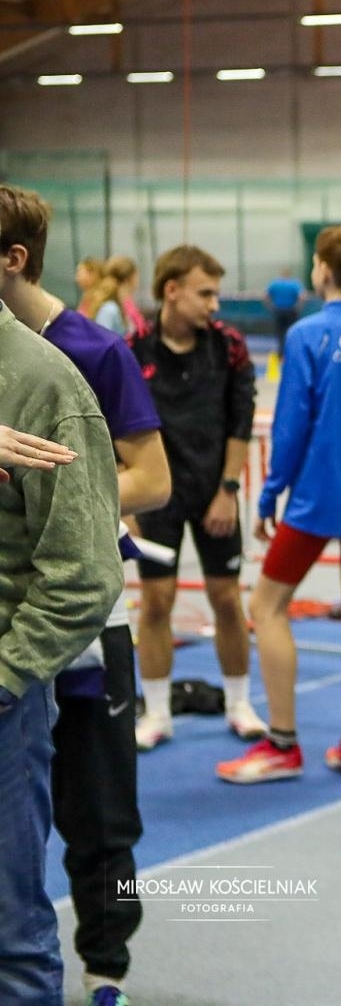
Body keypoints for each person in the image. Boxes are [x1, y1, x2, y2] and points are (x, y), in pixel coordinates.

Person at [1, 185, 172, 1006]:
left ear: (13, 259)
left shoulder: (90, 353)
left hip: (87, 622)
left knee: (102, 818)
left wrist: (69, 493)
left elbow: (153, 479)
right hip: (24, 619)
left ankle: (107, 967)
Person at [218, 225, 341, 785]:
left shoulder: (308, 334)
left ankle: (282, 744)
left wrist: (270, 491)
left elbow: (292, 424)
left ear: (322, 268)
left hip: (319, 493)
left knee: (266, 606)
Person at [0, 292, 124, 1006]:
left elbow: (84, 575)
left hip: (4, 708)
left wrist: (7, 674)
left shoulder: (46, 383)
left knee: (11, 943)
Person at [127, 245, 264, 750]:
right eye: (205, 294)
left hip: (213, 491)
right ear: (172, 290)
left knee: (226, 599)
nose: (214, 304)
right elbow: (115, 425)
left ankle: (240, 704)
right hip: (156, 496)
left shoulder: (229, 346)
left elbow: (241, 421)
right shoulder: (133, 349)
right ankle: (157, 712)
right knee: (156, 601)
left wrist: (228, 490)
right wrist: (127, 500)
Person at [78, 254, 138, 335]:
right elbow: (102, 338)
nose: (77, 278)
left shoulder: (118, 304)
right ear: (130, 278)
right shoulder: (109, 308)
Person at [264, 267, 305, 357]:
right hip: (291, 311)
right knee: (292, 331)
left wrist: (270, 307)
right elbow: (302, 297)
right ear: (289, 275)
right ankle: (292, 351)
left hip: (278, 311)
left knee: (280, 333)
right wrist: (298, 308)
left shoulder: (274, 284)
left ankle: (281, 353)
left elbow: (265, 296)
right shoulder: (294, 284)